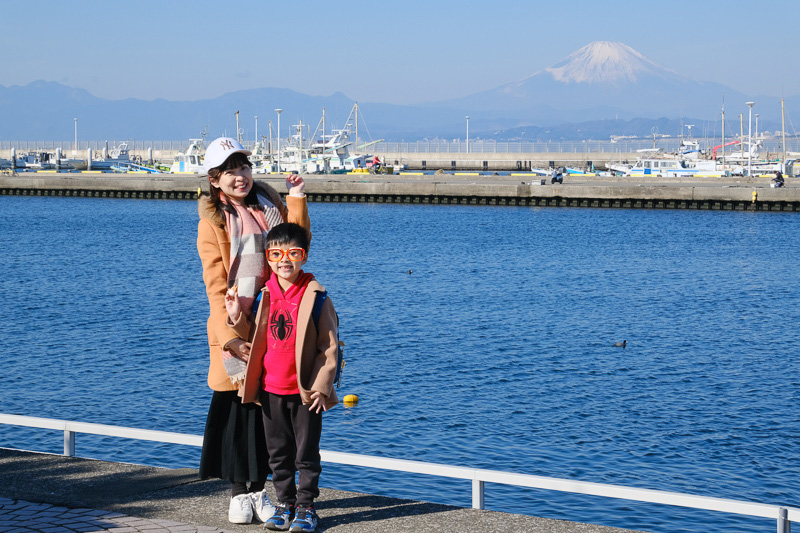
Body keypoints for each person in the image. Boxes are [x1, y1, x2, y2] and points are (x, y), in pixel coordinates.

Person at [196, 136, 310, 525]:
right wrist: (230, 336)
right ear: (214, 179)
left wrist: (295, 196)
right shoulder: (213, 222)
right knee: (238, 407)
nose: (239, 176)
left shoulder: (270, 206)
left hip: (276, 317)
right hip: (236, 318)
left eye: (243, 167)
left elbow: (297, 245)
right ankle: (238, 494)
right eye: (229, 171)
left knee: (271, 407)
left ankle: (260, 492)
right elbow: (215, 285)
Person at [225, 222, 339, 533]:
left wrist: (321, 386)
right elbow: (252, 338)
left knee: (306, 453)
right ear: (268, 257)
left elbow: (329, 348)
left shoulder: (316, 297)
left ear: (305, 256)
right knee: (278, 453)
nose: (284, 259)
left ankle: (306, 507)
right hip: (270, 390)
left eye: (293, 253)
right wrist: (236, 315)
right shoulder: (264, 295)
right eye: (276, 253)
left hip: (304, 393)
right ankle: (285, 504)